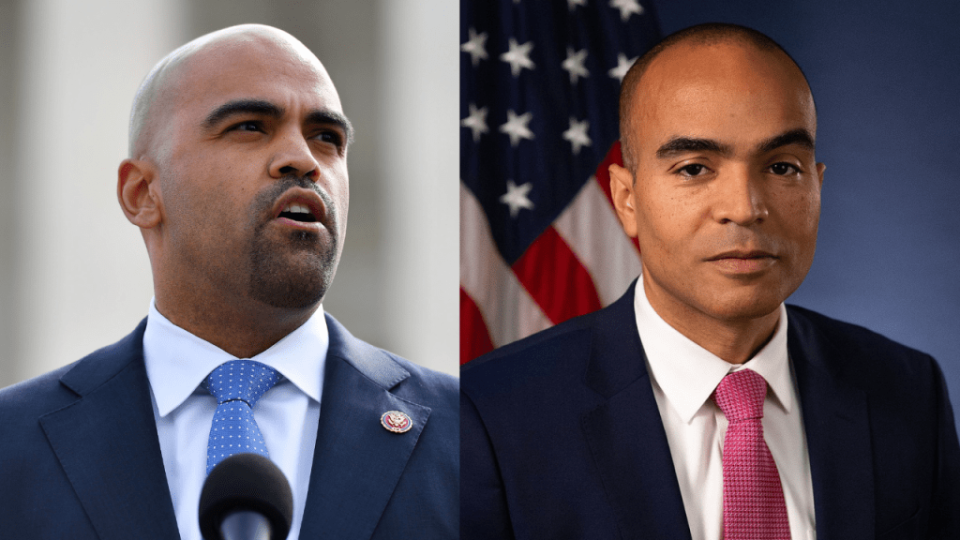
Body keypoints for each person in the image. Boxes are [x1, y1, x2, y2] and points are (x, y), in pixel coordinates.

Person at [461, 23, 960, 540]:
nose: (744, 208)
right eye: (695, 168)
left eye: (783, 167)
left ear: (818, 185)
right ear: (626, 199)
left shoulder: (906, 390)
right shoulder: (490, 417)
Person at [0, 24, 458, 540]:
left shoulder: (478, 441)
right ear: (142, 193)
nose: (304, 160)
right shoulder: (12, 444)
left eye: (326, 138)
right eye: (250, 126)